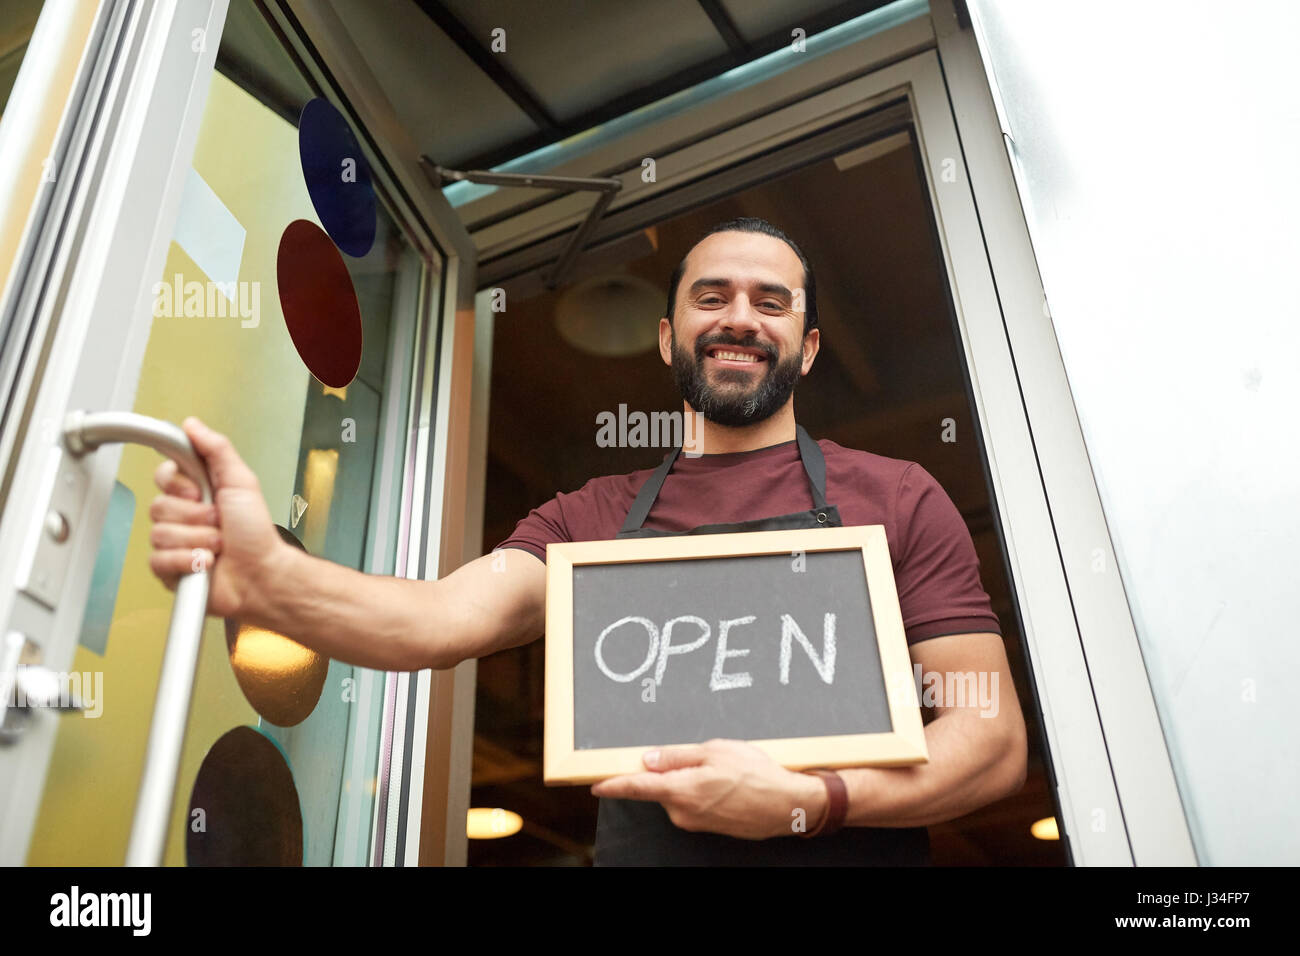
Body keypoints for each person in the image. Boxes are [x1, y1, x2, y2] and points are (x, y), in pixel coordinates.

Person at [147, 216, 1028, 865]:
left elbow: (988, 738)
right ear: (667, 336)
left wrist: (809, 802)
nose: (740, 319)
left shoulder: (897, 496)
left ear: (806, 348)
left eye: (772, 303)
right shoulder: (588, 518)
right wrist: (270, 577)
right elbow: (434, 620)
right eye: (710, 296)